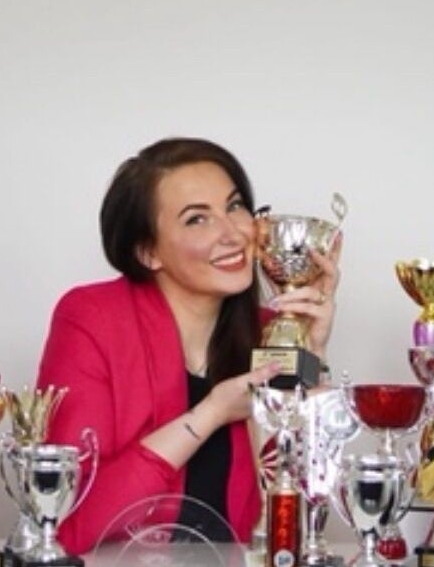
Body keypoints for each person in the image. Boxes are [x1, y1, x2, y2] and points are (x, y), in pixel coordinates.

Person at [35, 137, 342, 555]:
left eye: (235, 206)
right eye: (198, 219)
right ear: (147, 252)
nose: (233, 233)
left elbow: (298, 524)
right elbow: (67, 522)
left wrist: (312, 354)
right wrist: (211, 413)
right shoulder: (91, 317)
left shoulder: (270, 334)